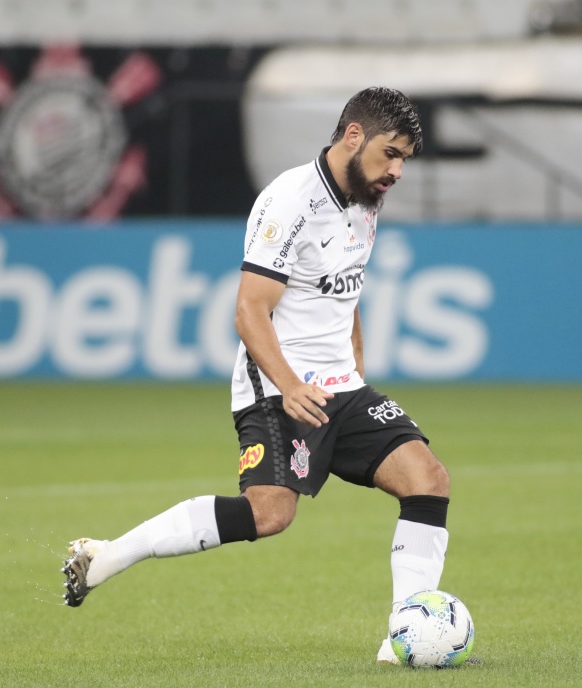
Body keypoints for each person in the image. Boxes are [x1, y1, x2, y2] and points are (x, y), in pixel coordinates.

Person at [62, 86, 451, 665]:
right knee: (270, 514)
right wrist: (292, 386)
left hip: (340, 389)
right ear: (352, 136)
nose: (396, 170)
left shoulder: (368, 200)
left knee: (428, 479)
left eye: (403, 160)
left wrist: (358, 378)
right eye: (389, 154)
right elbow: (249, 310)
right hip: (278, 390)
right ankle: (112, 554)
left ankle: (406, 636)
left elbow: (348, 294)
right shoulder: (289, 200)